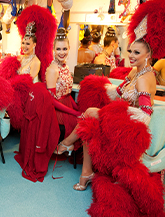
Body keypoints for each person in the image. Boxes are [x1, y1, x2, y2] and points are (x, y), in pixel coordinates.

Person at [58, 25, 157, 191]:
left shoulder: (144, 78)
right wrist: (97, 84)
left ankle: (67, 143)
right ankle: (86, 173)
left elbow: (145, 115)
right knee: (90, 126)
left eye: (136, 53)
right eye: (130, 51)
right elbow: (118, 92)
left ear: (148, 55)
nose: (131, 56)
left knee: (90, 112)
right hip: (121, 119)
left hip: (131, 127)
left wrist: (113, 113)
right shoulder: (135, 73)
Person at [45, 28, 82, 152]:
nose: (62, 52)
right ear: (53, 50)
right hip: (55, 108)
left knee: (86, 116)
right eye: (58, 49)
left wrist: (77, 108)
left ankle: (67, 145)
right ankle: (64, 145)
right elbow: (52, 100)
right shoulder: (52, 69)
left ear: (69, 48)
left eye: (64, 49)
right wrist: (75, 113)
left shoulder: (65, 67)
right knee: (82, 122)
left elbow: (66, 94)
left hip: (66, 103)